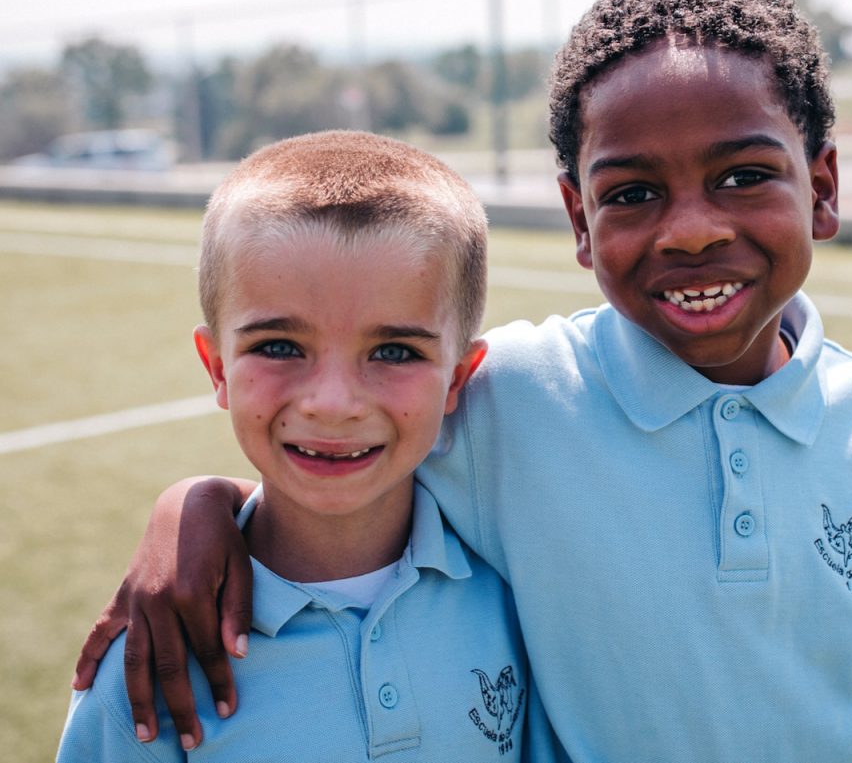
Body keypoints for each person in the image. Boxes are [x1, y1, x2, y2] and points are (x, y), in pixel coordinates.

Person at [73, 0, 852, 761]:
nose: (693, 226)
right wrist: (194, 509)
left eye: (742, 175)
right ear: (580, 221)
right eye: (634, 192)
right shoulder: (517, 397)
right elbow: (343, 438)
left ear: (824, 186)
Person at [57, 130, 560, 761]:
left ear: (458, 376)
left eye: (395, 352)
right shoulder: (153, 664)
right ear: (216, 367)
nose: (332, 401)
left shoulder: (522, 596)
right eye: (278, 347)